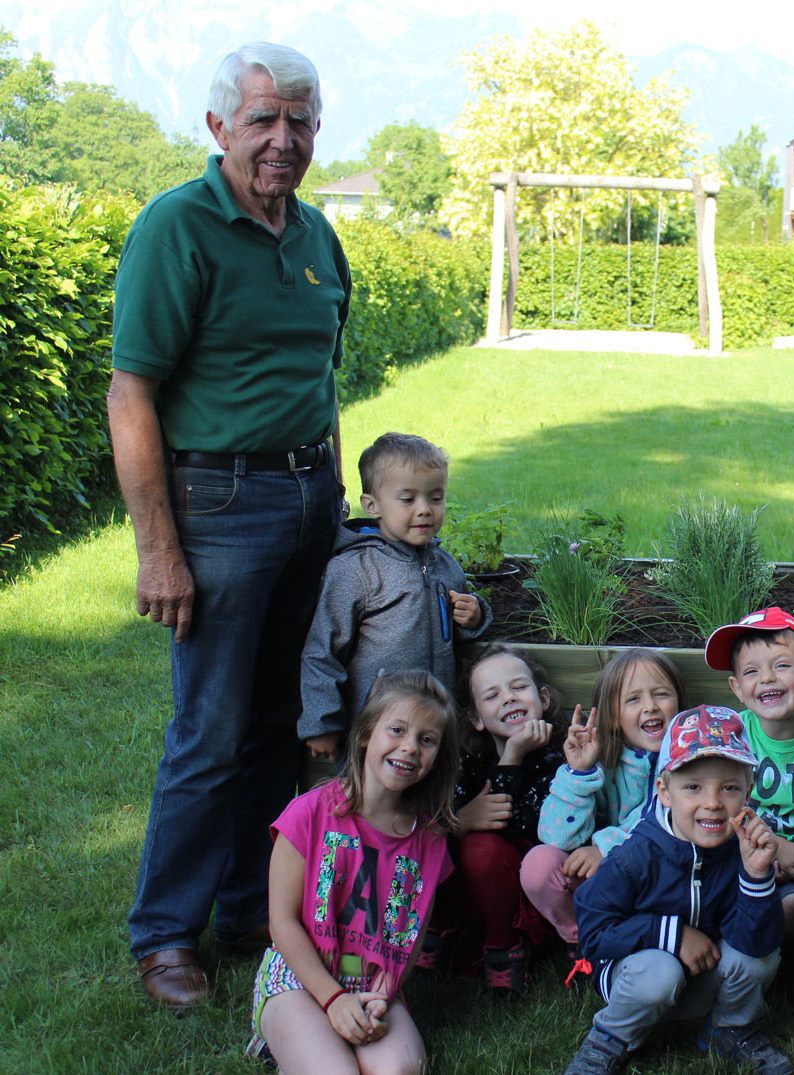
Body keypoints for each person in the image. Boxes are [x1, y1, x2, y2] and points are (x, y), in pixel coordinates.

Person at [108, 41, 350, 1008]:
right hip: (217, 506)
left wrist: (341, 497)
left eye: (299, 120)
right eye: (262, 119)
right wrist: (158, 547)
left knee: (283, 723)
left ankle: (253, 907)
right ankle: (165, 932)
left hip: (310, 501)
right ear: (219, 128)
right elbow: (133, 394)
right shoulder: (178, 227)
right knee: (208, 730)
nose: (282, 139)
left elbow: (321, 377)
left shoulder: (318, 236)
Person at [247, 670, 457, 1073]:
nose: (409, 748)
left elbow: (408, 939)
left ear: (435, 759)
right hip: (300, 977)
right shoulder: (310, 813)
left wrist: (385, 993)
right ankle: (276, 1032)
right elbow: (282, 923)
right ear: (365, 735)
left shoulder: (430, 842)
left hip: (373, 984)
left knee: (401, 1069)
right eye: (396, 730)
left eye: (426, 740)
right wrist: (333, 1000)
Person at [565, 705, 793, 1075]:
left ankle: (729, 1027)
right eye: (693, 787)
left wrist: (756, 876)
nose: (713, 802)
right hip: (640, 976)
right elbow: (594, 934)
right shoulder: (636, 855)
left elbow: (759, 944)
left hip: (707, 977)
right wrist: (669, 935)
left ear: (749, 792)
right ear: (664, 791)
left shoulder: (742, 850)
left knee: (758, 958)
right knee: (660, 970)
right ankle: (610, 1037)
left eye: (730, 787)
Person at [298, 432, 490, 762]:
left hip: (435, 725)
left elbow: (452, 632)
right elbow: (322, 650)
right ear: (372, 505)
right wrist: (322, 722)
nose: (425, 510)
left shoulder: (446, 566)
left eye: (435, 498)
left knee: (433, 801)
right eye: (408, 499)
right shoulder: (356, 568)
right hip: (376, 729)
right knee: (373, 805)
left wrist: (474, 618)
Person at [522, 648, 685, 979]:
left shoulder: (686, 759)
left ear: (679, 703)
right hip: (606, 883)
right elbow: (556, 836)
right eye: (633, 699)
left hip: (659, 880)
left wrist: (604, 849)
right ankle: (585, 943)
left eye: (661, 694)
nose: (650, 706)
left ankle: (636, 941)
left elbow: (664, 817)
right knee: (540, 864)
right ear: (612, 714)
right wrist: (579, 774)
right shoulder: (602, 758)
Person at [705, 607, 794, 944]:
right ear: (738, 687)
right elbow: (714, 807)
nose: (767, 678)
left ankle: (776, 965)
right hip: (734, 856)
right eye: (751, 671)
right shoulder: (732, 735)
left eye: (782, 665)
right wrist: (774, 848)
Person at [447, 644, 566, 995]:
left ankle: (512, 945)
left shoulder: (559, 756)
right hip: (484, 894)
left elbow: (518, 825)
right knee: (469, 846)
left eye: (519, 687)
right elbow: (441, 822)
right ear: (477, 719)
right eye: (493, 695)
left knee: (488, 846)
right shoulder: (469, 763)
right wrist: (462, 820)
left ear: (542, 698)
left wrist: (513, 754)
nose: (509, 698)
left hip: (542, 889)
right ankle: (470, 938)